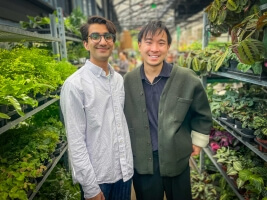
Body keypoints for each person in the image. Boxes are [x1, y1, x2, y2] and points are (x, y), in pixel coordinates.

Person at [124, 21, 212, 200]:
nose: (154, 49)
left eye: (161, 43)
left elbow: (202, 112)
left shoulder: (187, 79)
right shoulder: (127, 82)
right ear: (139, 45)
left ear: (168, 47)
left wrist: (197, 141)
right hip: (143, 163)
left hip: (177, 158)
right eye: (149, 42)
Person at [60, 16, 133, 200]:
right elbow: (76, 140)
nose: (103, 41)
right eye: (95, 36)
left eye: (107, 37)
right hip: (98, 179)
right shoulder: (75, 85)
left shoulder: (118, 79)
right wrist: (90, 187)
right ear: (86, 44)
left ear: (113, 43)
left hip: (124, 174)